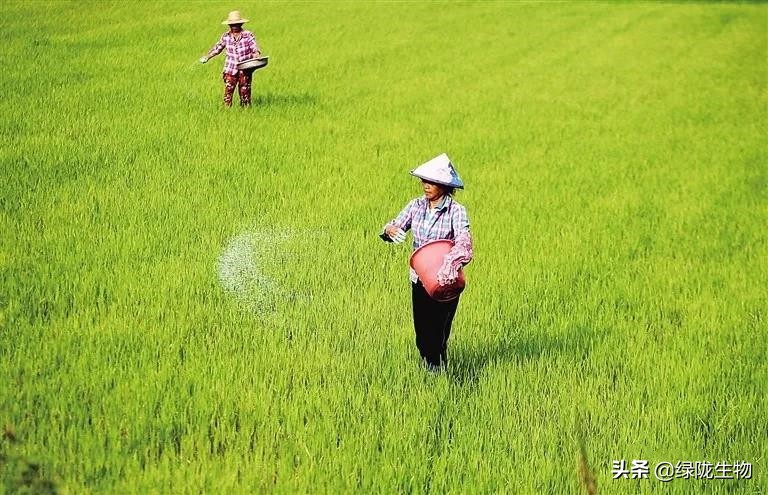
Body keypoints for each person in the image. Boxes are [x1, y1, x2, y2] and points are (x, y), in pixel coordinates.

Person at [380, 153, 474, 370]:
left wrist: (454, 259)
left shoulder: (456, 211)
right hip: (420, 278)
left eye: (431, 181)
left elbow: (463, 239)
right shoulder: (416, 206)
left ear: (444, 185)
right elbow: (395, 225)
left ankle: (437, 369)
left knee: (440, 330)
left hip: (446, 278)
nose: (426, 185)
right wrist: (390, 230)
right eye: (424, 180)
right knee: (423, 331)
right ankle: (431, 365)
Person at [200, 11, 261, 107]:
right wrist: (207, 57)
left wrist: (256, 55)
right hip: (230, 69)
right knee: (228, 91)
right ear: (229, 25)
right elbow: (217, 49)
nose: (235, 26)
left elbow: (254, 48)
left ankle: (245, 111)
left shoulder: (248, 35)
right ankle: (227, 110)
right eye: (232, 25)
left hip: (245, 68)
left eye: (237, 24)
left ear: (241, 24)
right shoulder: (226, 37)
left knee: (245, 92)